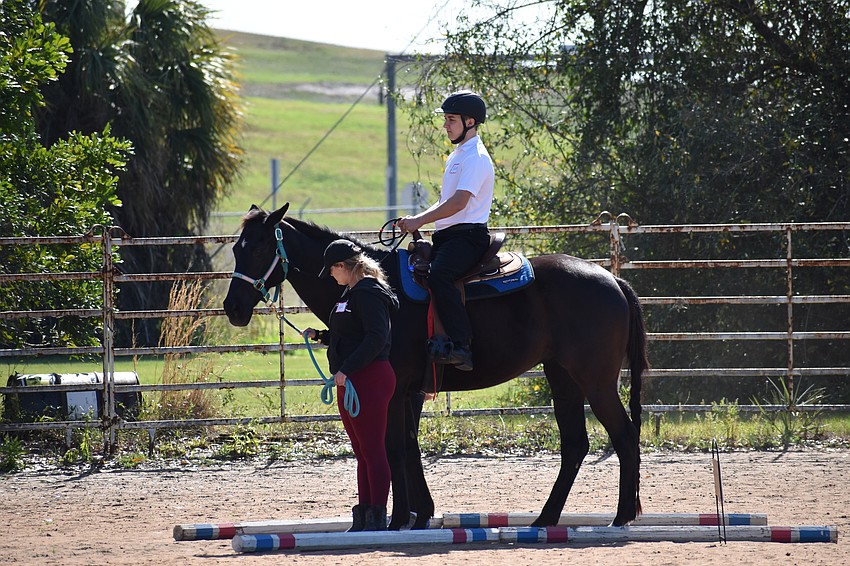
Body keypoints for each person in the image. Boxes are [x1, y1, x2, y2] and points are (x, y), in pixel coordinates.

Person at [396, 90, 494, 371]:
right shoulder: (457, 156)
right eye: (446, 120)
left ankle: (462, 346)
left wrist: (420, 221)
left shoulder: (476, 157)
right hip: (450, 236)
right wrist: (418, 218)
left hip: (468, 236)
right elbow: (447, 200)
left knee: (440, 275)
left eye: (451, 120)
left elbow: (460, 202)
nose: (445, 125)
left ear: (470, 121)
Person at [305, 239, 398, 532]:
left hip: (368, 378)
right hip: (354, 380)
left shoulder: (368, 293)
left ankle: (377, 516)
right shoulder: (352, 292)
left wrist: (346, 369)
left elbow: (376, 338)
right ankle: (366, 517)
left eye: (332, 270)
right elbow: (351, 334)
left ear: (343, 266)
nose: (331, 276)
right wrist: (322, 335)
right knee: (363, 452)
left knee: (372, 451)